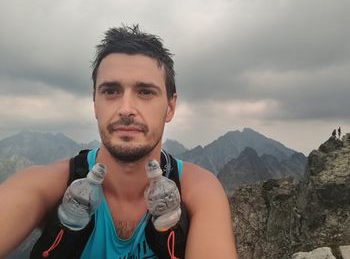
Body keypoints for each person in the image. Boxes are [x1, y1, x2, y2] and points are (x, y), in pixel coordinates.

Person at [0, 25, 237, 258]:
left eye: (145, 92)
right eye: (111, 91)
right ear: (95, 103)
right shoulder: (48, 184)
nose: (126, 109)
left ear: (170, 107)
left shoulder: (198, 191)